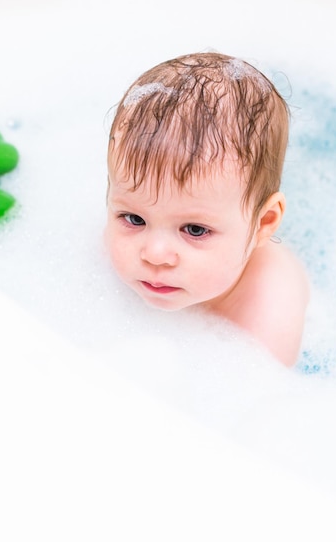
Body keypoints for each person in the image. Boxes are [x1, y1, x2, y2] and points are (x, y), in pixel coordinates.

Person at [105, 52, 309, 366]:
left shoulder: (269, 313)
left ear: (263, 223)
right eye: (134, 219)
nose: (155, 254)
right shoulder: (106, 255)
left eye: (195, 230)